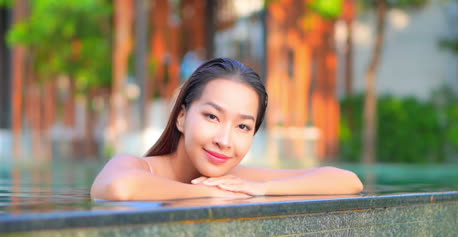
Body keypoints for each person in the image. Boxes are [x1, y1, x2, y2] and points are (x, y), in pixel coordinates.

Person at [90, 58, 363, 201]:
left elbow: (347, 181)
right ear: (182, 117)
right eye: (212, 116)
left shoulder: (235, 179)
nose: (224, 140)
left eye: (243, 126)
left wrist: (261, 190)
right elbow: (118, 188)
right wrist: (208, 194)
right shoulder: (136, 166)